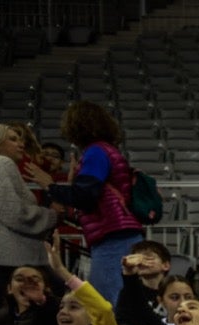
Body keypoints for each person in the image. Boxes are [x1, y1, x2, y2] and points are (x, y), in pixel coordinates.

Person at [23, 101, 143, 305]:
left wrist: (51, 185)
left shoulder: (96, 152)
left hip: (112, 234)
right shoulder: (107, 150)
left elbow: (86, 196)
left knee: (106, 304)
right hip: (118, 231)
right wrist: (73, 183)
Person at [0, 122, 54, 294]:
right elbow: (15, 214)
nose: (21, 144)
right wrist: (52, 215)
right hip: (13, 260)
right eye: (13, 140)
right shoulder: (2, 164)